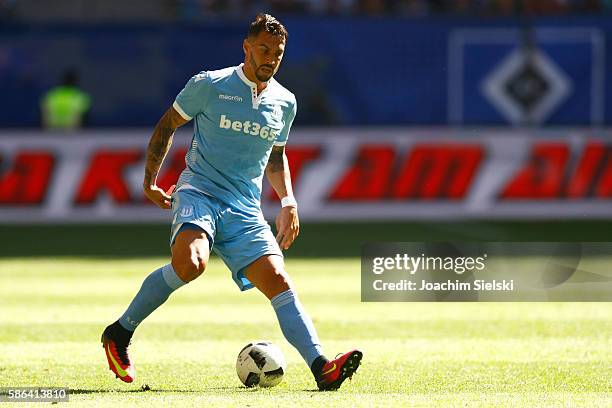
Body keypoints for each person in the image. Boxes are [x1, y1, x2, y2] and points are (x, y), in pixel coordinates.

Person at [101, 13, 362, 391]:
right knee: (191, 264)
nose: (270, 58)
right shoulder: (210, 84)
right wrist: (149, 182)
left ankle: (322, 368)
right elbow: (166, 126)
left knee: (279, 281)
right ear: (246, 47)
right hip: (199, 191)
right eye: (263, 49)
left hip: (244, 207)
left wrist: (288, 200)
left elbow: (275, 157)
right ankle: (119, 333)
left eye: (278, 52)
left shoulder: (285, 102)